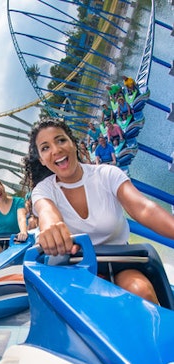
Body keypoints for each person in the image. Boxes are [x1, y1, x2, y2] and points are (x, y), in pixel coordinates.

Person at [22, 117, 174, 304]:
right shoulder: (44, 190)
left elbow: (143, 209)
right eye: (45, 148)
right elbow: (47, 212)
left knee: (141, 292)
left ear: (73, 143)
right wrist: (51, 230)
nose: (56, 150)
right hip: (78, 266)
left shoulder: (107, 174)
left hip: (123, 260)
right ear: (42, 160)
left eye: (61, 140)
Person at [0, 178, 28, 254]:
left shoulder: (18, 201)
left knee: (15, 252)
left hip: (16, 237)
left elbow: (21, 218)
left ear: (3, 186)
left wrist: (23, 231)